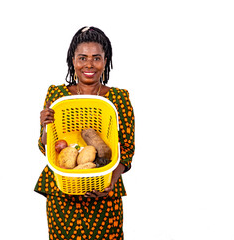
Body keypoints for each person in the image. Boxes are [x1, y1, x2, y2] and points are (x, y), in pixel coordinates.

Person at [35, 26, 135, 240]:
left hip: (105, 195)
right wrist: (45, 127)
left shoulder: (119, 98)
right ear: (73, 60)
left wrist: (110, 183)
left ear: (105, 61)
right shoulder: (56, 94)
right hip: (63, 194)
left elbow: (127, 149)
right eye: (82, 58)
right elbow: (46, 146)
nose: (89, 64)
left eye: (96, 58)